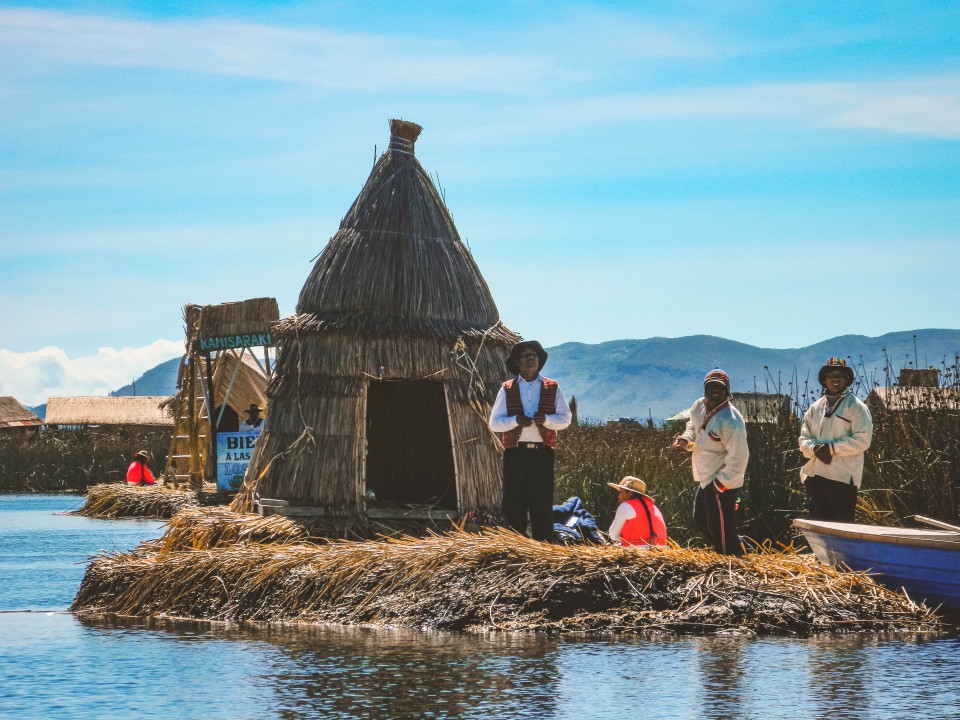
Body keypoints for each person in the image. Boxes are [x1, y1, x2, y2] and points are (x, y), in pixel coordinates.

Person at [489, 340, 572, 541]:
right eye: (526, 355)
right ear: (517, 362)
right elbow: (494, 423)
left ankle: (542, 548)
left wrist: (547, 420)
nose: (530, 358)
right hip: (515, 453)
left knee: (541, 503)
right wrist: (516, 421)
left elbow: (566, 419)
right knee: (513, 503)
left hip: (542, 454)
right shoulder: (507, 389)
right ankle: (515, 546)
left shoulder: (552, 387)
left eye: (534, 355)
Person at [670, 368, 749, 556]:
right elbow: (692, 425)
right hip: (705, 477)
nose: (715, 391)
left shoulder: (731, 420)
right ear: (705, 389)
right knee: (701, 519)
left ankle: (730, 558)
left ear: (727, 391)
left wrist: (721, 483)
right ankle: (740, 547)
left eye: (719, 388)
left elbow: (739, 458)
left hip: (722, 482)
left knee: (720, 527)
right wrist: (685, 439)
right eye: (711, 387)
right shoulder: (698, 406)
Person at [799, 357, 873, 522]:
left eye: (840, 374)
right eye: (830, 374)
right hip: (815, 476)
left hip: (843, 478)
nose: (835, 378)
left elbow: (863, 440)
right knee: (820, 527)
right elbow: (803, 439)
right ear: (823, 380)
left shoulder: (857, 407)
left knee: (842, 528)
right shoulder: (815, 408)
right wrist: (815, 449)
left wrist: (831, 448)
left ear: (847, 379)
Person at [607, 476, 667, 547]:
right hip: (659, 550)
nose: (618, 496)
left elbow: (613, 536)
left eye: (621, 492)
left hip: (637, 551)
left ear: (630, 493)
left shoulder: (625, 506)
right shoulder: (654, 508)